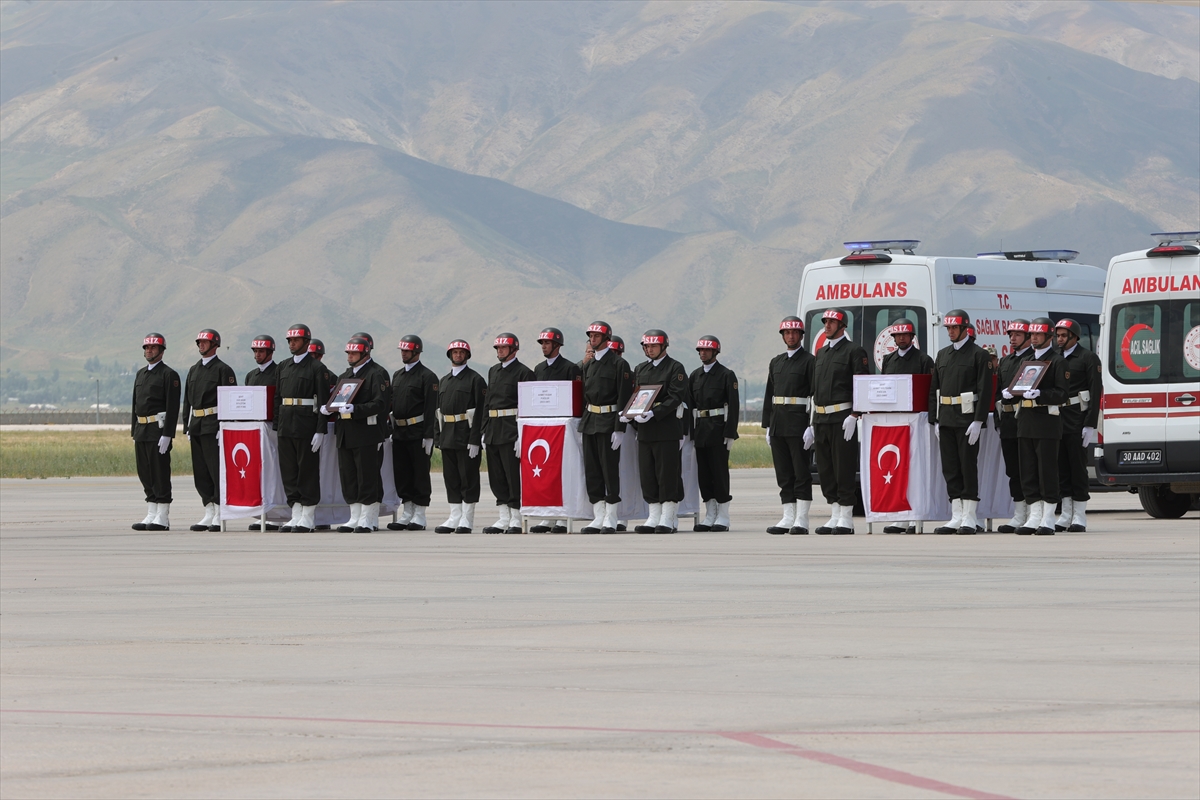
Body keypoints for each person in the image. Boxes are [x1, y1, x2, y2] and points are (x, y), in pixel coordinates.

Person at [929, 310, 995, 535]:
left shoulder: (979, 355)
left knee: (968, 466)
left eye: (954, 328)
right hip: (946, 418)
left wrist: (978, 420)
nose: (951, 332)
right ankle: (956, 515)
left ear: (966, 328)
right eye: (948, 328)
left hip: (967, 419)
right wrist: (935, 419)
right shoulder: (943, 355)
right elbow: (934, 390)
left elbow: (985, 391)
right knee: (950, 468)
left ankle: (969, 516)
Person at [809, 308, 869, 534]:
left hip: (843, 418)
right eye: (825, 322)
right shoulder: (821, 354)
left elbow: (861, 384)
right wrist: (812, 422)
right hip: (822, 418)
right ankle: (834, 514)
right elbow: (817, 390)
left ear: (842, 326)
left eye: (832, 322)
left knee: (843, 467)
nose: (827, 325)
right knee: (826, 469)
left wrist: (855, 414)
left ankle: (846, 517)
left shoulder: (854, 351)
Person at [1007, 318, 1069, 535]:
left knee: (1047, 471)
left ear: (1049, 337)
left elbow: (1062, 394)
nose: (1033, 338)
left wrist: (1042, 395)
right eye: (1032, 334)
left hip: (1047, 423)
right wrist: (1010, 394)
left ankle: (1049, 517)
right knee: (1028, 471)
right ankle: (1034, 515)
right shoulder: (1028, 360)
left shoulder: (1057, 361)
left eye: (1038, 334)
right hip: (1025, 421)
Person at [324, 336, 391, 533]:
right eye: (348, 353)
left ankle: (368, 518)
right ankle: (354, 516)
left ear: (365, 353)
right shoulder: (345, 375)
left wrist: (356, 409)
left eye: (353, 353)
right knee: (349, 476)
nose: (350, 357)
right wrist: (330, 408)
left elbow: (381, 404)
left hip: (366, 433)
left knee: (367, 475)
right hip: (346, 432)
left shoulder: (377, 373)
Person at [626, 329, 688, 534]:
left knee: (667, 473)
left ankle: (668, 517)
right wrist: (630, 414)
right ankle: (653, 516)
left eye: (653, 346)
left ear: (663, 347)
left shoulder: (675, 368)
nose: (649, 349)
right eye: (646, 346)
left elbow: (675, 397)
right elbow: (636, 395)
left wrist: (655, 412)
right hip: (645, 430)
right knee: (648, 473)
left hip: (667, 428)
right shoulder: (641, 368)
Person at [273, 324, 332, 533]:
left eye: (296, 340)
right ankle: (295, 513)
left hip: (306, 425)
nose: (291, 343)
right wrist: (276, 424)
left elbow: (323, 402)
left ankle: (307, 515)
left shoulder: (317, 368)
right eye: (289, 340)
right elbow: (278, 398)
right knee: (289, 472)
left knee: (306, 470)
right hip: (286, 426)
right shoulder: (283, 366)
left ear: (307, 342)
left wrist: (320, 430)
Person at [879, 321, 935, 534]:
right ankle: (900, 515)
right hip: (894, 423)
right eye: (898, 335)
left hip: (916, 421)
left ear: (912, 336)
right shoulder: (888, 360)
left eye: (905, 335)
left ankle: (915, 515)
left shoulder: (923, 360)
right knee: (898, 468)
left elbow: (929, 390)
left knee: (916, 468)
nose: (901, 338)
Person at [579, 321, 633, 534]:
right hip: (590, 420)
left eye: (596, 335)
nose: (592, 338)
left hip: (609, 421)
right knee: (592, 470)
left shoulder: (619, 364)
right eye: (590, 335)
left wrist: (619, 428)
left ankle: (611, 516)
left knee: (609, 470)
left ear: (606, 338)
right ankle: (598, 515)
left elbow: (624, 396)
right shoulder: (589, 365)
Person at [762, 317, 815, 535]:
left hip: (799, 424)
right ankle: (788, 516)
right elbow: (769, 396)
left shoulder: (810, 361)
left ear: (801, 335)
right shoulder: (776, 362)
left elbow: (815, 395)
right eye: (787, 333)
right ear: (782, 336)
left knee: (801, 471)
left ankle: (801, 519)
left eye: (795, 333)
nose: (791, 336)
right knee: (784, 474)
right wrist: (767, 426)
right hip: (778, 425)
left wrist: (812, 425)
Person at [529, 327, 583, 533]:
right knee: (547, 471)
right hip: (543, 427)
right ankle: (549, 515)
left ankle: (563, 516)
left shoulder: (570, 368)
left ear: (557, 345)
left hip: (564, 428)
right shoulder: (538, 369)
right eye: (542, 343)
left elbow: (576, 398)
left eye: (547, 343)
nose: (543, 346)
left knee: (564, 471)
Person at [183, 329, 237, 532]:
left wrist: (224, 425)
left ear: (215, 344)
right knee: (201, 470)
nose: (201, 345)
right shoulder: (193, 370)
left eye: (205, 342)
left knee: (215, 469)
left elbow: (230, 400)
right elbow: (187, 400)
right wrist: (186, 425)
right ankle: (208, 508)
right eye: (199, 342)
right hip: (196, 424)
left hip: (213, 424)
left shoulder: (224, 370)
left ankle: (220, 510)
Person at [1053, 318, 1103, 532]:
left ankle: (1079, 515)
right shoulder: (1055, 357)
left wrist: (1090, 424)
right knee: (1061, 467)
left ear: (1075, 336)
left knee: (1077, 468)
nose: (1060, 339)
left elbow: (1095, 391)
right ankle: (1066, 513)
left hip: (1077, 417)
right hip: (1057, 417)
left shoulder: (1087, 357)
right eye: (1058, 335)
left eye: (1064, 336)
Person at [482, 333, 535, 534]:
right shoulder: (493, 371)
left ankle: (516, 518)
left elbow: (527, 407)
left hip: (511, 429)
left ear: (514, 350)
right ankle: (503, 517)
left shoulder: (524, 373)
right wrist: (484, 429)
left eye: (503, 348)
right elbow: (488, 403)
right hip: (494, 429)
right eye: (497, 348)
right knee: (497, 475)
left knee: (513, 475)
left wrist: (523, 434)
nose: (499, 351)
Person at [386, 335, 439, 531]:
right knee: (402, 474)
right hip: (400, 432)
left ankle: (420, 515)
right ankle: (407, 512)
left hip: (418, 433)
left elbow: (431, 408)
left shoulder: (428, 376)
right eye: (402, 350)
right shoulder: (397, 375)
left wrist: (429, 436)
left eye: (407, 351)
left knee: (419, 474)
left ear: (416, 352)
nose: (403, 354)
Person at [434, 339, 487, 533]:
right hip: (448, 434)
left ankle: (467, 518)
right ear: (450, 355)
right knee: (451, 478)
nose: (458, 355)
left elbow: (480, 411)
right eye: (454, 352)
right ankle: (454, 516)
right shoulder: (444, 381)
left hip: (466, 436)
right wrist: (437, 437)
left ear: (467, 355)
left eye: (461, 352)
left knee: (468, 477)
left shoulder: (476, 379)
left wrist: (475, 439)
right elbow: (437, 412)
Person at [130, 333, 181, 531]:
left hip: (158, 431)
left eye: (153, 347)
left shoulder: (169, 375)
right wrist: (134, 430)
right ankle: (151, 511)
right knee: (145, 472)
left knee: (160, 472)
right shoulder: (141, 374)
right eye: (146, 347)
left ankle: (163, 515)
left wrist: (168, 434)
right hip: (142, 430)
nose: (148, 350)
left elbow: (173, 406)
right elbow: (135, 404)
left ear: (161, 350)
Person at [689, 335, 739, 531]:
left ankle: (723, 516)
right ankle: (710, 514)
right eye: (700, 350)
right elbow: (691, 406)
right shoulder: (695, 376)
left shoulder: (727, 375)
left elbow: (733, 406)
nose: (703, 353)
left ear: (715, 352)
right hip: (701, 430)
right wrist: (690, 433)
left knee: (719, 473)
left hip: (719, 430)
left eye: (707, 350)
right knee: (704, 474)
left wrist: (730, 432)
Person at [995, 320, 1033, 532]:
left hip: (1025, 419)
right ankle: (1019, 514)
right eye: (1011, 334)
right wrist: (998, 421)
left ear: (1028, 337)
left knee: (1027, 468)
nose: (1012, 338)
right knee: (1013, 471)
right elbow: (998, 392)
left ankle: (1031, 513)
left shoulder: (1032, 360)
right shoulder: (1006, 361)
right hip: (1008, 421)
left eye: (1018, 335)